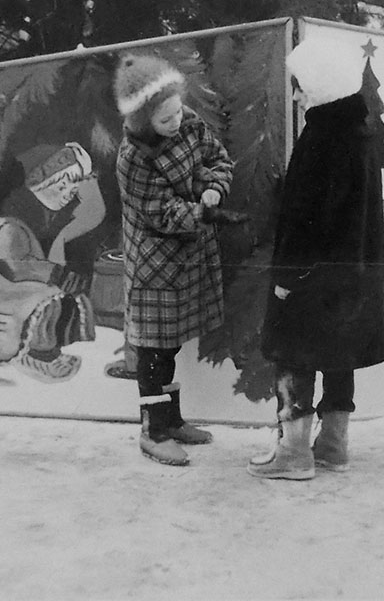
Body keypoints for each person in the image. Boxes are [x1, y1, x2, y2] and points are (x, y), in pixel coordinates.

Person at [247, 37, 384, 481]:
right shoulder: (360, 133)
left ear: (321, 88)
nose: (295, 95)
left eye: (301, 85)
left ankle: (292, 453)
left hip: (313, 277)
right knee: (339, 353)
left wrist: (289, 277)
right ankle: (333, 445)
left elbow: (309, 219)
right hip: (352, 276)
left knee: (296, 355)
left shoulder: (322, 137)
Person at [114, 53, 245, 466]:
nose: (176, 121)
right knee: (154, 348)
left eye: (176, 110)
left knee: (169, 346)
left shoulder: (187, 120)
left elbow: (219, 159)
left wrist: (214, 188)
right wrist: (204, 211)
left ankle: (171, 420)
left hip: (189, 257)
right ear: (142, 120)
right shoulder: (132, 158)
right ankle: (152, 430)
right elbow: (160, 213)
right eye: (165, 118)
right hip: (156, 264)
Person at [0, 142, 105, 382]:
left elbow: (93, 211)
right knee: (47, 301)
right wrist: (54, 274)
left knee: (61, 298)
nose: (69, 192)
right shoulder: (17, 215)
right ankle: (37, 353)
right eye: (64, 184)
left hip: (33, 280)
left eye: (74, 186)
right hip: (8, 282)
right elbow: (8, 260)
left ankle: (47, 348)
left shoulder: (53, 216)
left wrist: (88, 177)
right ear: (44, 182)